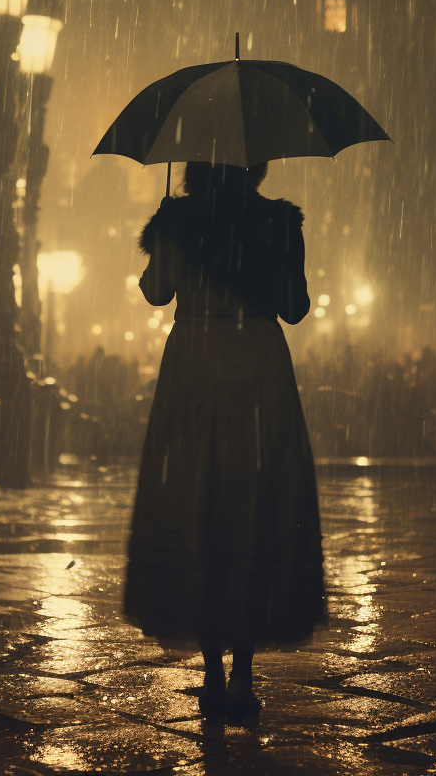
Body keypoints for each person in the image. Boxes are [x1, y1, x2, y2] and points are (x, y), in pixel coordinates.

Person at [123, 161, 326, 720]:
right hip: (260, 368)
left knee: (200, 505)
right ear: (257, 167)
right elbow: (296, 307)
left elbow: (156, 292)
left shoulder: (178, 219)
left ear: (193, 169)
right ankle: (244, 676)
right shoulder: (280, 223)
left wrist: (166, 238)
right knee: (252, 508)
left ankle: (212, 675)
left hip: (194, 368)